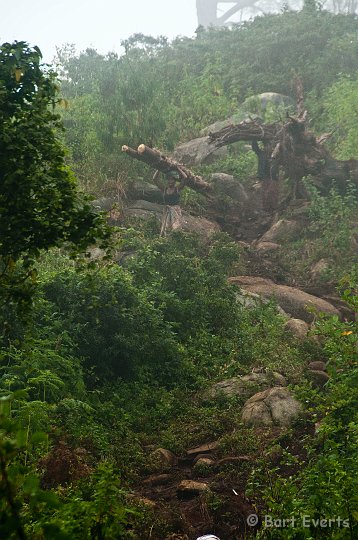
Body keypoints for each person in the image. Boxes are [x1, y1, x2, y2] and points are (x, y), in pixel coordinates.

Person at [160, 170, 185, 236]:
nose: (170, 181)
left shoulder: (177, 189)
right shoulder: (164, 189)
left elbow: (185, 178)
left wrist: (179, 169)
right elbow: (154, 179)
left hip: (175, 210)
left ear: (175, 181)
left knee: (176, 228)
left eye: (172, 180)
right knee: (166, 228)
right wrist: (158, 169)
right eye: (169, 179)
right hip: (167, 211)